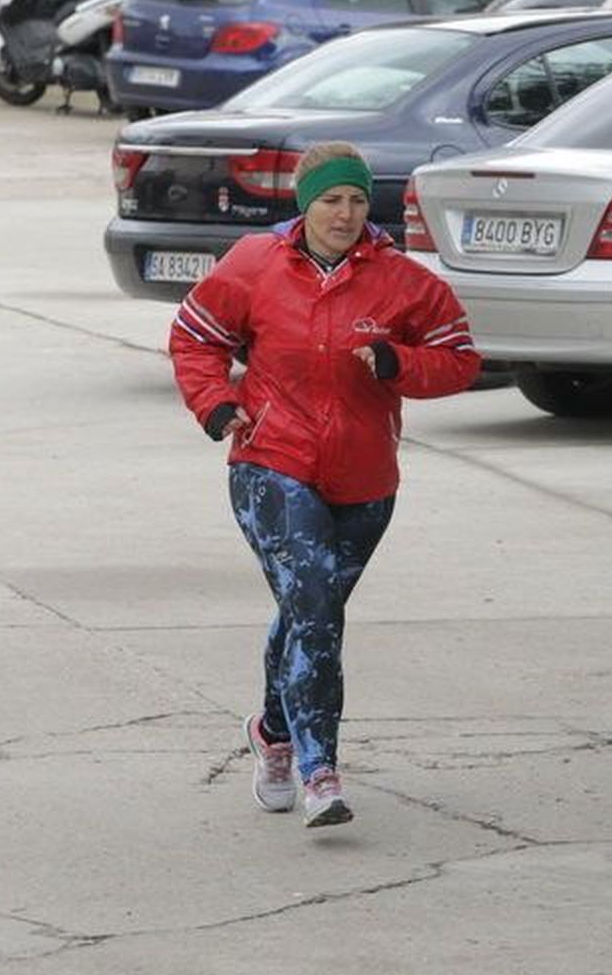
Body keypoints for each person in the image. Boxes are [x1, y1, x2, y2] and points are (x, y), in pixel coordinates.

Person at [169, 141, 480, 828]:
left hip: (366, 479)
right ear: (304, 204)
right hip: (270, 462)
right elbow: (194, 336)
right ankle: (319, 770)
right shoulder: (255, 263)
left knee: (310, 613)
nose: (344, 214)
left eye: (357, 200)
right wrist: (218, 406)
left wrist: (400, 363)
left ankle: (273, 731)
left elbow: (459, 358)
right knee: (313, 604)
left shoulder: (402, 280)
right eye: (331, 200)